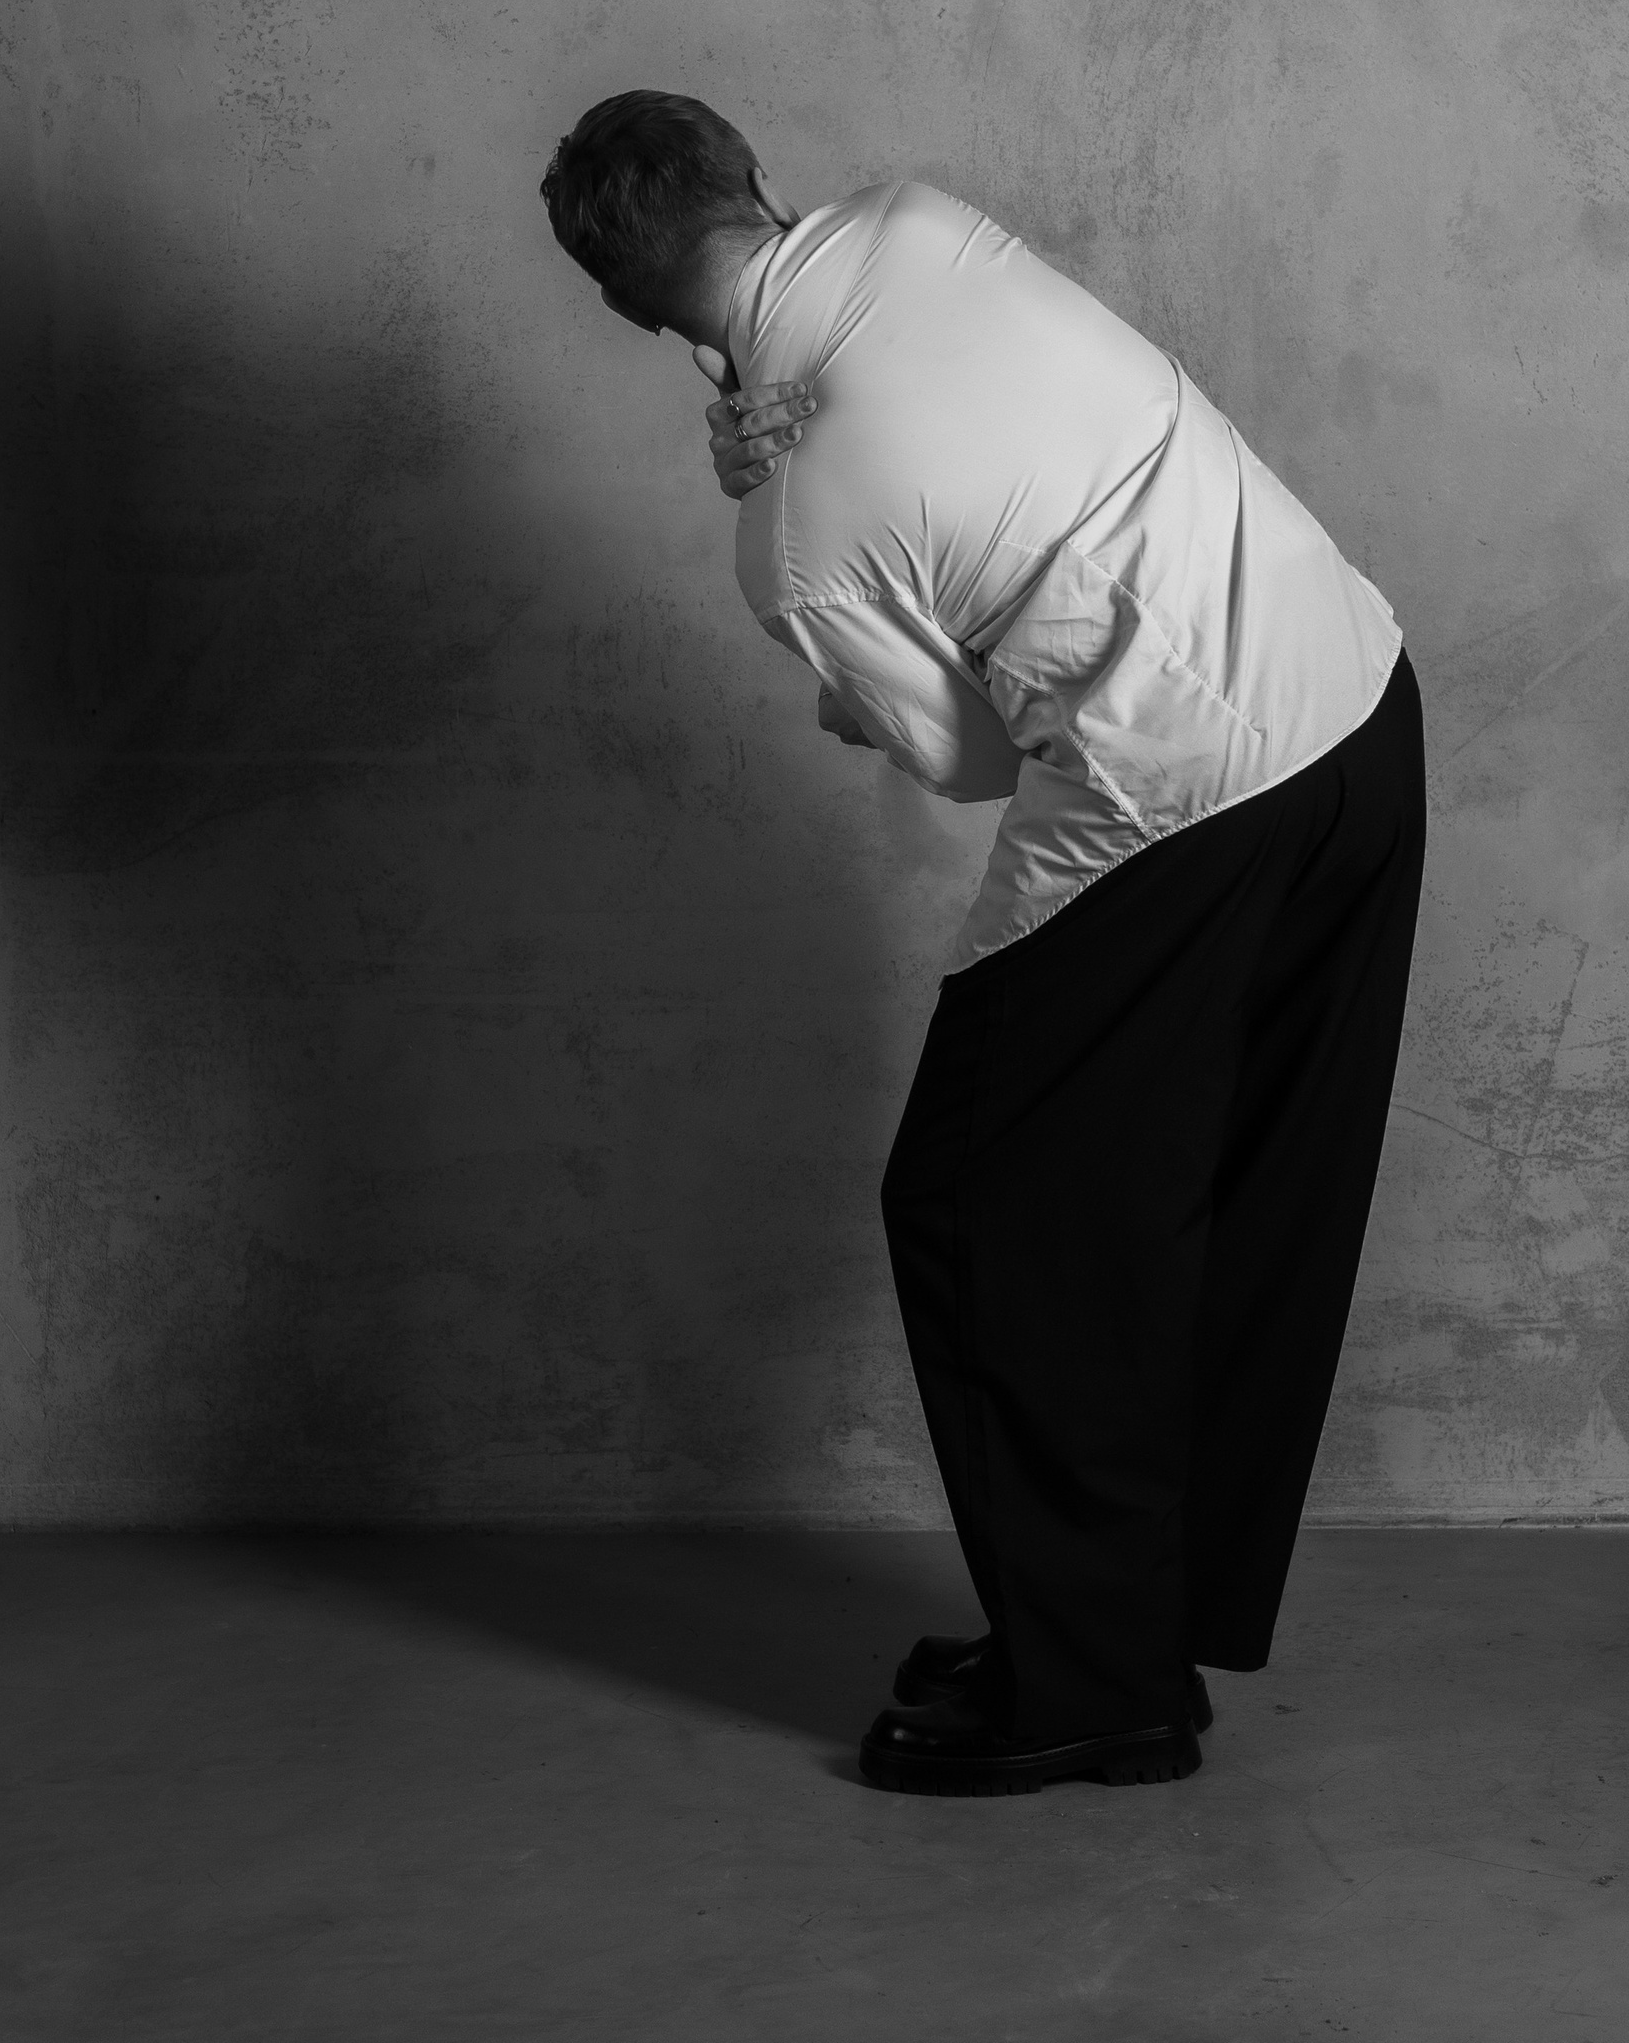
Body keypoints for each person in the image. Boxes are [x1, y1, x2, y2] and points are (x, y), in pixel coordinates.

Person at [540, 88, 1426, 1799]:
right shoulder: (922, 218)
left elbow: (965, 763)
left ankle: (1091, 1686)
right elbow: (915, 373)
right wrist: (782, 440)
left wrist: (823, 626)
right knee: (1239, 1185)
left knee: (978, 1210)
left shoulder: (793, 541)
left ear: (623, 306)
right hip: (1358, 698)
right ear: (753, 177)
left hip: (1192, 793)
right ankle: (1127, 1625)